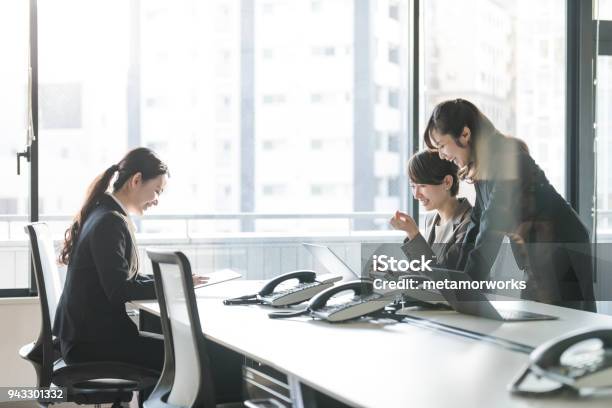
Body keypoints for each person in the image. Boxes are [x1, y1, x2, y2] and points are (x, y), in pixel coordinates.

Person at [423, 98, 596, 311]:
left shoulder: (508, 160)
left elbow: (491, 229)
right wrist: (454, 280)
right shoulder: (483, 168)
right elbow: (476, 225)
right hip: (539, 253)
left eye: (441, 146)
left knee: (561, 324)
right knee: (540, 321)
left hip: (562, 248)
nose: (442, 155)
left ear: (465, 134)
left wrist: (464, 288)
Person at [54, 147, 206, 374]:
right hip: (90, 345)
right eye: (157, 191)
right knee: (189, 353)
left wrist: (177, 280)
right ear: (136, 180)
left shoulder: (103, 211)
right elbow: (120, 289)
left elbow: (123, 278)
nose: (156, 201)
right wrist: (176, 286)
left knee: (179, 348)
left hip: (84, 339)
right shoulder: (110, 221)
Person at [390, 150, 472, 268]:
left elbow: (445, 279)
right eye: (413, 186)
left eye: (422, 185)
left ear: (447, 182)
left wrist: (413, 234)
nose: (416, 194)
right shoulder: (431, 220)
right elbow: (423, 272)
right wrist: (390, 273)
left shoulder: (469, 223)